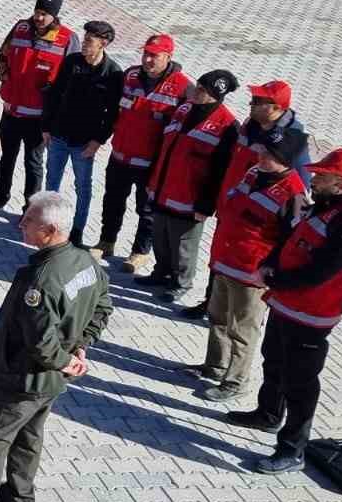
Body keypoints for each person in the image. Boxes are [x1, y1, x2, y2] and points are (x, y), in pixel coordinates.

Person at [0, 191, 112, 502]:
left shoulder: (41, 281)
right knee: (30, 435)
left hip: (22, 377)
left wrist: (66, 358)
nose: (21, 224)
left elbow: (40, 341)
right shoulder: (85, 262)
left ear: (50, 229)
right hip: (50, 382)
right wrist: (81, 347)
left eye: (29, 220)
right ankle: (19, 497)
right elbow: (102, 307)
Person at [226, 149, 342, 476]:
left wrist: (274, 279)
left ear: (341, 183)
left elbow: (320, 273)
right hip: (286, 302)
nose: (313, 178)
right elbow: (292, 239)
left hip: (312, 315)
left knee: (300, 381)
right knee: (274, 359)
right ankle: (268, 414)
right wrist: (268, 265)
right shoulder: (328, 204)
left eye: (321, 175)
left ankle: (292, 450)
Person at [176, 78, 313, 321]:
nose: (251, 103)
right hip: (233, 203)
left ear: (275, 107)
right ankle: (212, 302)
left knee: (240, 268)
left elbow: (300, 186)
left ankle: (241, 315)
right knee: (220, 255)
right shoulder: (251, 124)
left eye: (258, 101)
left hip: (258, 218)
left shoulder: (291, 138)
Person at [196, 129, 309, 403]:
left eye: (269, 155)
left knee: (242, 329)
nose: (260, 156)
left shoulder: (293, 194)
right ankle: (215, 365)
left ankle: (235, 381)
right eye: (262, 151)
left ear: (285, 160)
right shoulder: (254, 173)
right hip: (226, 262)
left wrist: (269, 271)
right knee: (219, 317)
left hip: (251, 274)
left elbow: (291, 242)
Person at [141, 70, 241, 303]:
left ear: (216, 96)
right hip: (163, 188)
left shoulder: (226, 126)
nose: (195, 92)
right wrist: (152, 180)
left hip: (190, 198)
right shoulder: (184, 109)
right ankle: (161, 272)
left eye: (202, 90)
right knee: (161, 235)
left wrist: (206, 206)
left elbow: (220, 171)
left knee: (184, 244)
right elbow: (164, 146)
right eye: (197, 86)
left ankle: (181, 282)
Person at [96, 34, 191, 272]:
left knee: (146, 210)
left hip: (151, 163)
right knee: (112, 202)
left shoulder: (182, 87)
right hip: (120, 156)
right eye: (146, 54)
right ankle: (107, 241)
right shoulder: (130, 76)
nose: (148, 60)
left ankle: (139, 252)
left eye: (154, 55)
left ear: (168, 57)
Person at [40, 20, 123, 247]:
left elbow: (113, 113)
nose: (84, 43)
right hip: (58, 136)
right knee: (52, 184)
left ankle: (76, 232)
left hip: (84, 144)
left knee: (83, 188)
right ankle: (48, 227)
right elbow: (54, 94)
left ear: (103, 43)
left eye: (89, 40)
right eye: (84, 39)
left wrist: (98, 141)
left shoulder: (113, 73)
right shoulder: (72, 62)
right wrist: (46, 127)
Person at [0, 0, 72, 214]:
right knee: (6, 158)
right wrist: (5, 80)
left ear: (55, 15)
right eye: (37, 11)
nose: (39, 17)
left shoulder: (66, 39)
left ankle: (30, 207)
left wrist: (54, 103)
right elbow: (4, 55)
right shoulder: (20, 28)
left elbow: (69, 79)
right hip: (12, 110)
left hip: (39, 117)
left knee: (33, 164)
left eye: (45, 13)